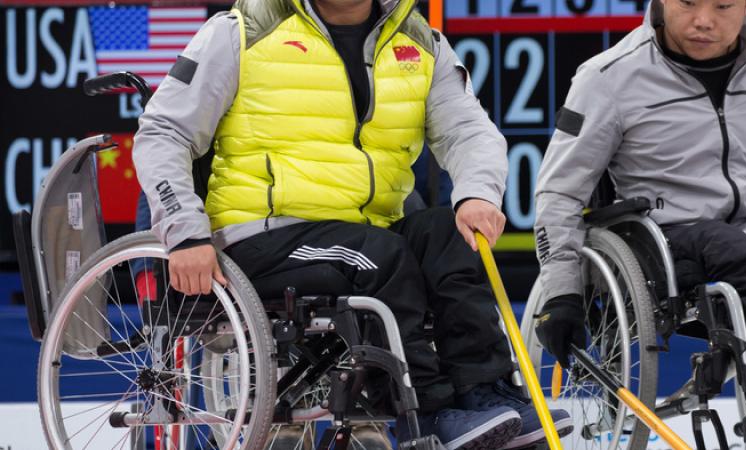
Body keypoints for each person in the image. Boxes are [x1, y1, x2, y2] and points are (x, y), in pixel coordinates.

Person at [132, 0, 572, 448]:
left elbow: (468, 130)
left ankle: (486, 393)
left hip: (366, 233)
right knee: (380, 255)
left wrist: (477, 193)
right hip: (262, 235)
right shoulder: (240, 31)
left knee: (446, 235)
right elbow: (164, 131)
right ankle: (429, 412)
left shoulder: (420, 42)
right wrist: (185, 232)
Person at [534, 0, 746, 422]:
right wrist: (560, 291)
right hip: (666, 245)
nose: (703, 21)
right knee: (730, 247)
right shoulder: (607, 78)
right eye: (688, 2)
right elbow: (559, 193)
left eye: (723, 5)